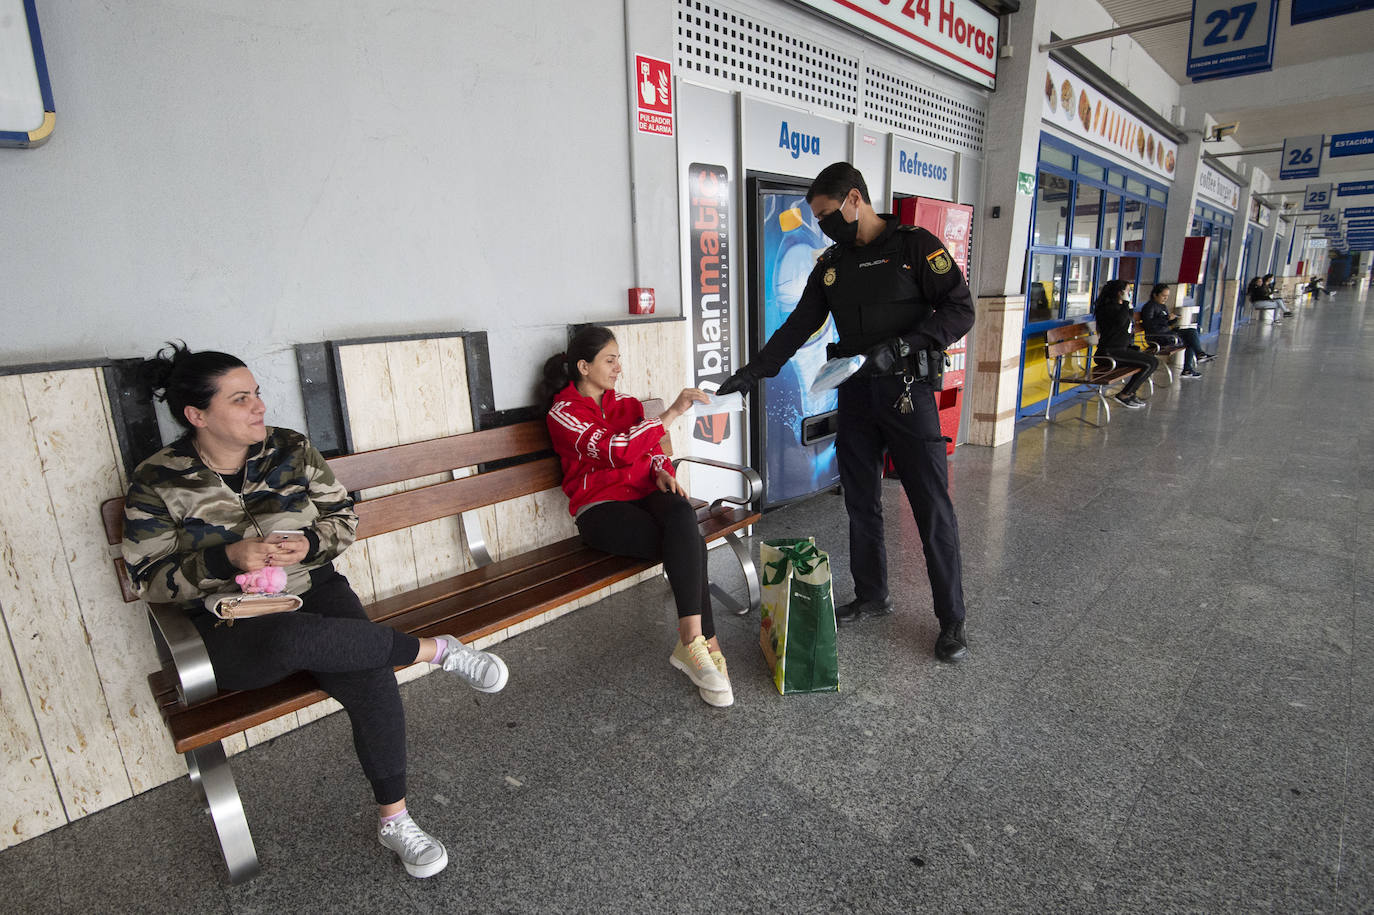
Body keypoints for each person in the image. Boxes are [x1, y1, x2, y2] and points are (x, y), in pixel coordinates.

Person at [122, 343, 509, 879]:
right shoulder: (159, 479)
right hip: (230, 617)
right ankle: (435, 650)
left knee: (366, 665)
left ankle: (394, 819)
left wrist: (310, 544)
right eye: (240, 399)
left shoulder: (290, 449)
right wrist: (225, 557)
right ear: (197, 415)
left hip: (315, 587)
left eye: (256, 392)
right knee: (295, 638)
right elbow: (148, 577)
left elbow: (342, 518)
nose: (260, 405)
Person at [715, 162, 972, 662]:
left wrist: (901, 346)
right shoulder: (832, 263)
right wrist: (753, 373)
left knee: (931, 507)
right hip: (855, 394)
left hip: (907, 392)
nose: (824, 226)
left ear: (855, 199)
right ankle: (873, 595)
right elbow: (798, 326)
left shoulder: (916, 247)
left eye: (829, 214)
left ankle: (952, 618)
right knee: (860, 501)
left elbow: (961, 310)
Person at [538, 326, 735, 707]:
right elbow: (616, 450)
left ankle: (692, 644)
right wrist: (672, 412)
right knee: (689, 542)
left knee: (680, 509)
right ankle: (706, 644)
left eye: (618, 359)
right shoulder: (563, 414)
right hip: (601, 510)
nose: (618, 368)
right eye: (610, 360)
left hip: (644, 494)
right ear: (583, 366)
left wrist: (662, 470)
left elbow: (651, 454)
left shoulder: (625, 403)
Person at [1091, 279, 1156, 409]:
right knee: (1149, 364)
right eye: (1127, 291)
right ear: (1119, 293)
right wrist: (1126, 303)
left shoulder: (1120, 308)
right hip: (1109, 353)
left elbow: (1129, 322)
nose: (1129, 293)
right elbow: (1121, 322)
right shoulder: (1107, 308)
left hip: (1121, 350)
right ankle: (1124, 394)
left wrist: (1128, 305)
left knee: (1152, 362)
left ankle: (1130, 392)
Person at [1139, 283, 1213, 379]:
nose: (1165, 298)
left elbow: (1165, 323)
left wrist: (1173, 319)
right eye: (1163, 296)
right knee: (1190, 336)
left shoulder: (1162, 306)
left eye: (1167, 296)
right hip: (1158, 337)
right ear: (1155, 295)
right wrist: (1166, 318)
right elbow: (1148, 324)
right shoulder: (1149, 307)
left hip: (1166, 334)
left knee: (1191, 333)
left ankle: (1191, 364)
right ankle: (1197, 357)